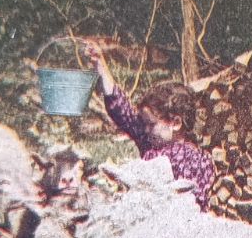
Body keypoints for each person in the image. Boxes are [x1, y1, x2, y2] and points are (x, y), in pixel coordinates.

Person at [83, 41, 216, 211]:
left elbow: (189, 207)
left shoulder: (196, 160)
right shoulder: (151, 141)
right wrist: (100, 64)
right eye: (144, 124)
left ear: (175, 123)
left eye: (150, 124)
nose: (145, 129)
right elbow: (121, 110)